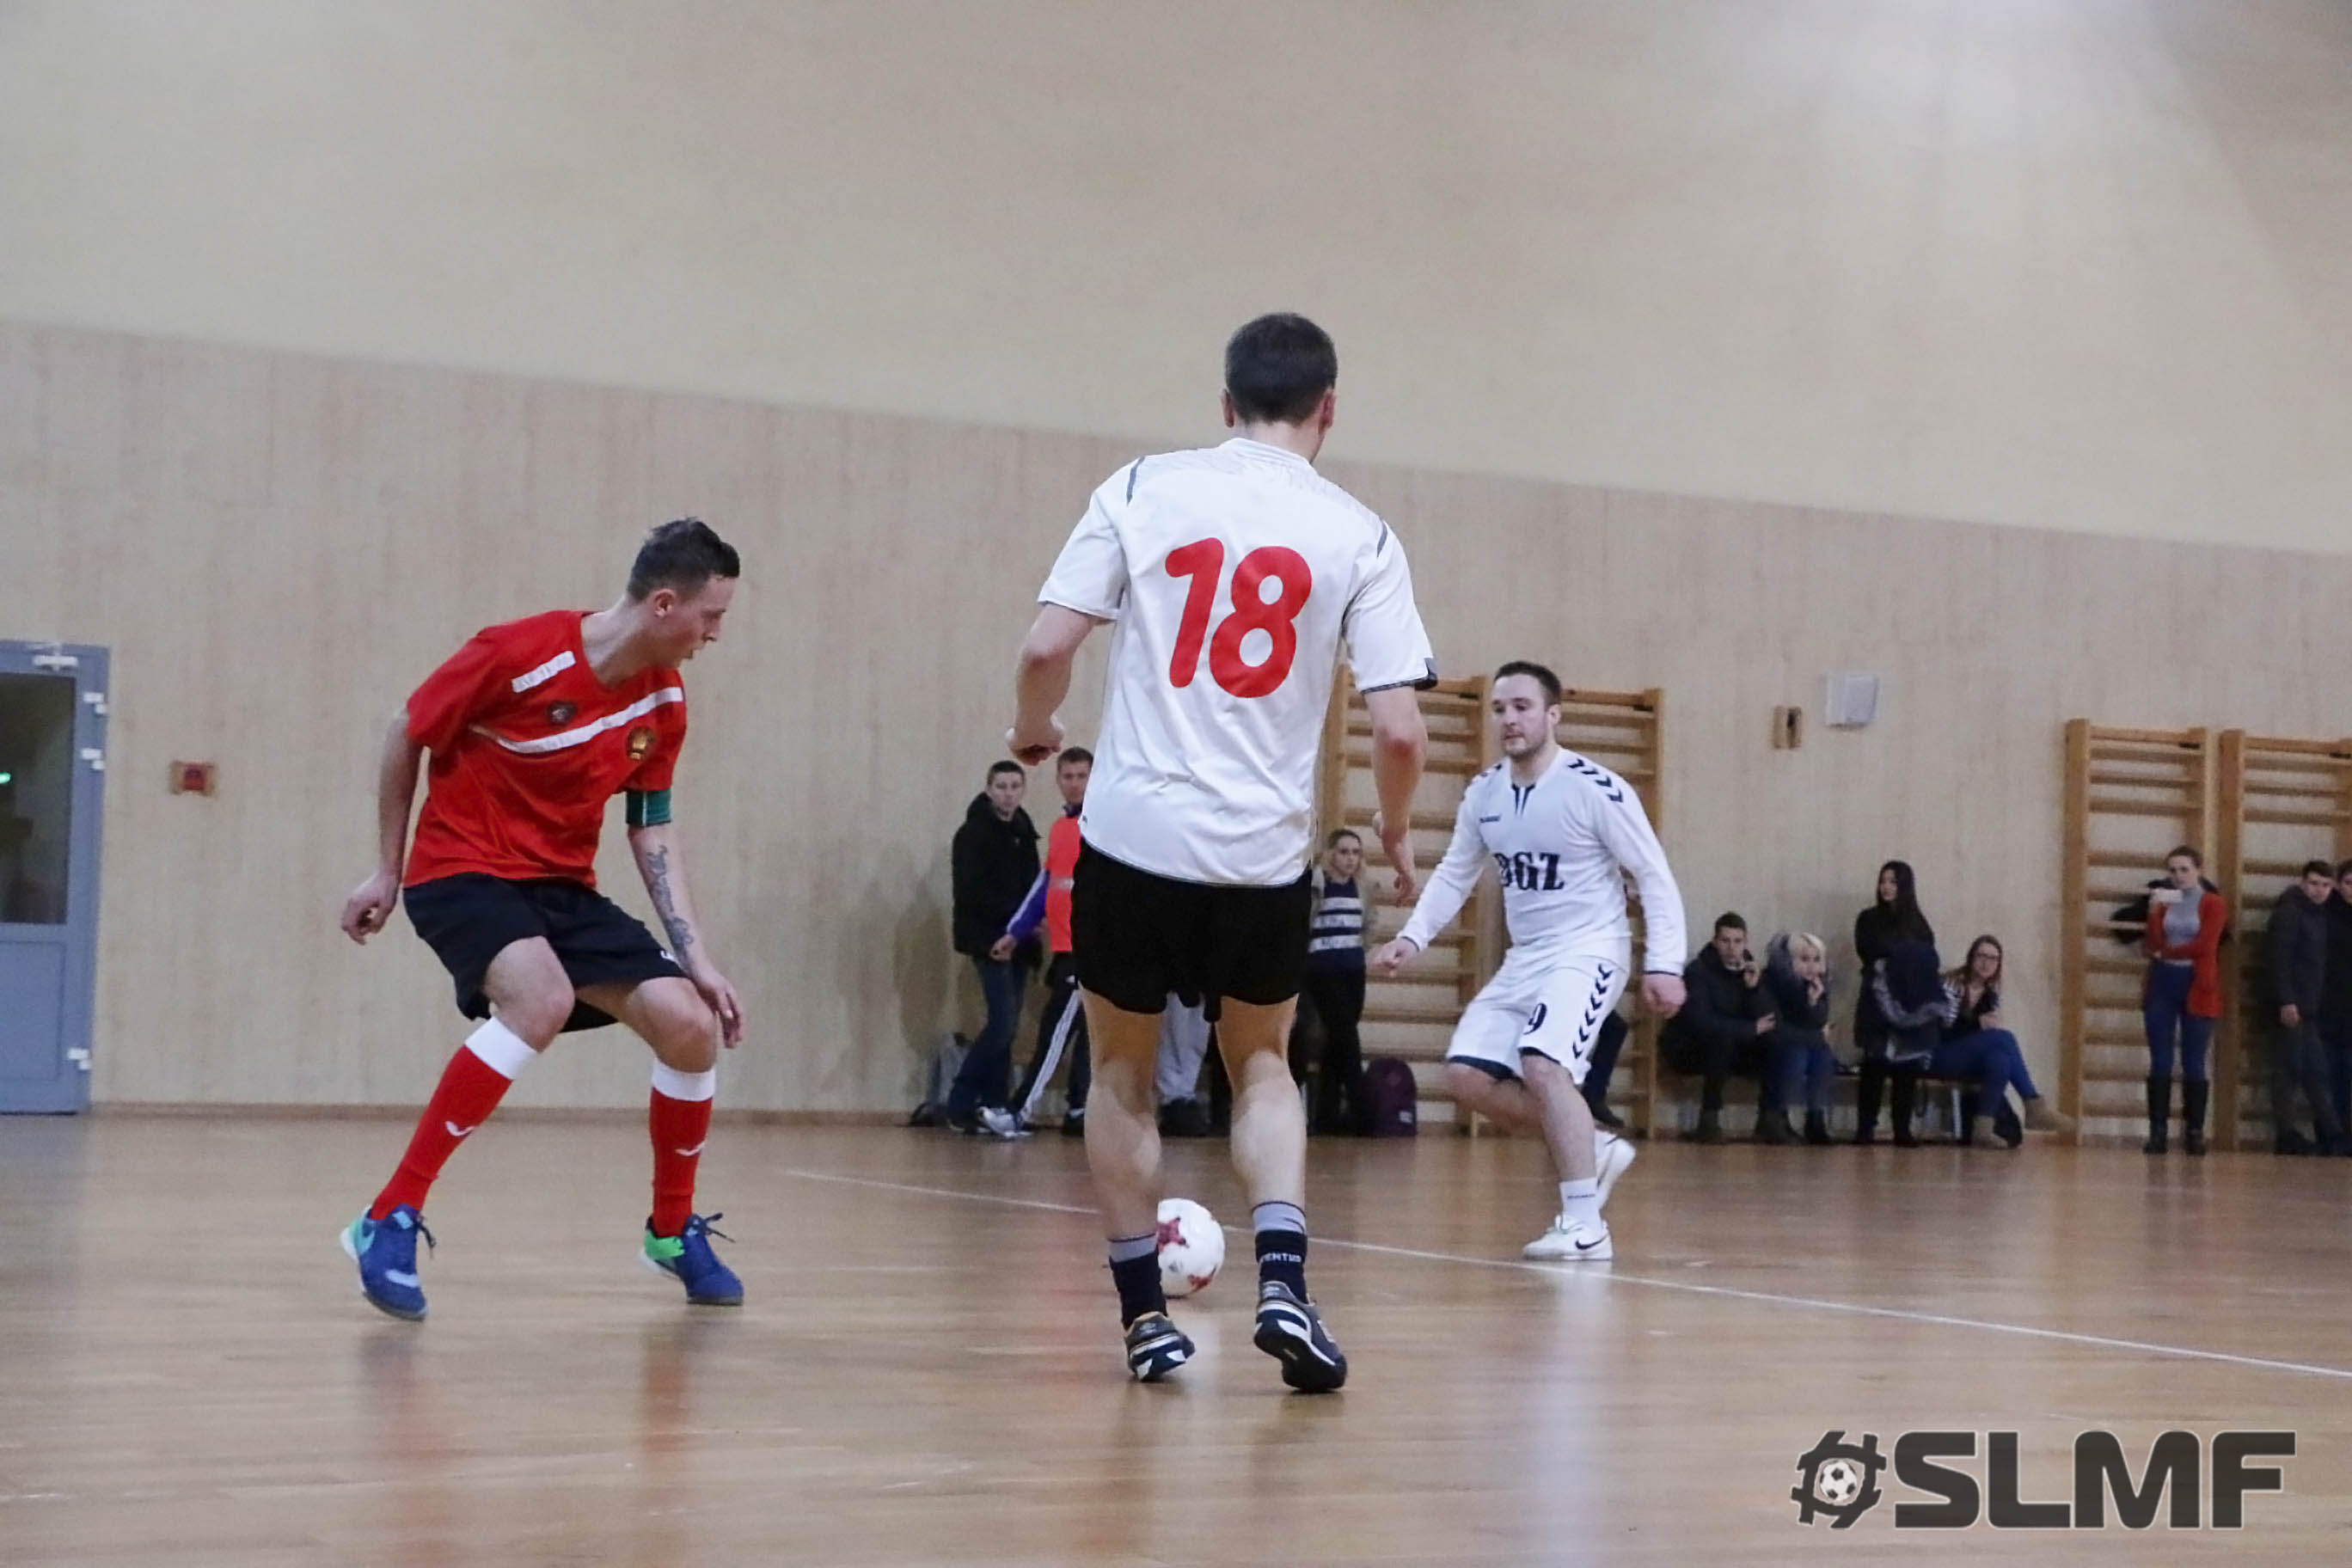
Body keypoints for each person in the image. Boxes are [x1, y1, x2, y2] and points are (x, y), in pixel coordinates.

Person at [1007, 312, 1436, 1388]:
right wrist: (1392, 828)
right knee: (1263, 1067)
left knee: (1121, 1071)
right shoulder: (1362, 535)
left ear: (1224, 403)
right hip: (1260, 856)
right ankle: (1284, 1285)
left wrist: (1034, 729)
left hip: (1133, 842)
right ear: (1329, 409)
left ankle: (1145, 1322)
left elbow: (1048, 643)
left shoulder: (1143, 487)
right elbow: (1399, 730)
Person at [335, 518, 746, 1320]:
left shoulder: (664, 701)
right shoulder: (516, 654)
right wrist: (387, 867)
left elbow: (651, 827)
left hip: (560, 888)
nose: (715, 635)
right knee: (542, 999)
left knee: (690, 1025)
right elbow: (405, 732)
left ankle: (669, 1231)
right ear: (665, 605)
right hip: (461, 870)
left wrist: (696, 958)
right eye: (711, 617)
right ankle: (388, 1214)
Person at [1373, 661, 1687, 1262]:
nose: (1509, 720)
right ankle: (1592, 1148)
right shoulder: (1484, 793)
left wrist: (1665, 963)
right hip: (1527, 958)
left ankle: (1585, 1224)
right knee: (1466, 1076)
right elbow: (1456, 873)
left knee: (1543, 1063)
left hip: (1589, 948)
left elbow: (1652, 874)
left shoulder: (1595, 788)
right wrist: (1412, 939)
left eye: (1521, 707)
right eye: (1499, 709)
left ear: (1553, 715)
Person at [947, 761, 1042, 1137]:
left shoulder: (1024, 831)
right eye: (1001, 786)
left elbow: (1034, 885)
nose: (1008, 794)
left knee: (1009, 1026)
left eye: (1015, 786)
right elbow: (972, 892)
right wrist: (1016, 919)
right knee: (1002, 1024)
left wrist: (1030, 925)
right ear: (989, 790)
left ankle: (994, 1104)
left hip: (1020, 941)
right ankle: (959, 1102)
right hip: (989, 940)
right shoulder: (972, 834)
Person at [1003, 747, 1093, 1135]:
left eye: (1082, 776)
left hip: (1087, 949)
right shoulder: (1061, 828)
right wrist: (1016, 931)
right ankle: (1080, 1109)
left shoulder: (1102, 828)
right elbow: (1046, 886)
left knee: (1055, 1032)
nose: (1074, 784)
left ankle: (1019, 1110)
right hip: (1063, 946)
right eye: (1068, 776)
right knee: (1086, 1035)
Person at [1931, 935, 2073, 1148]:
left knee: (2000, 1060)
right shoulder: (1952, 984)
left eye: (1993, 959)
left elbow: (1983, 1036)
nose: (1986, 963)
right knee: (2005, 1039)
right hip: (1939, 1053)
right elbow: (1942, 1031)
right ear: (1971, 957)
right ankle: (2033, 1105)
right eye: (1981, 956)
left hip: (1968, 1058)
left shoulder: (1992, 992)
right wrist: (1978, 1024)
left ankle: (1983, 1130)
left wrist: (1983, 1028)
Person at [1662, 913, 1774, 1144]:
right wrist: (1750, 1029)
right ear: (1715, 941)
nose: (1732, 948)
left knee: (1775, 1043)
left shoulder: (1751, 970)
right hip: (1690, 1047)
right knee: (1721, 1040)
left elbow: (1768, 1019)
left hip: (1736, 1046)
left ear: (1746, 942)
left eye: (1738, 941)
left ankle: (1770, 1119)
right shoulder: (1698, 971)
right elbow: (1701, 1023)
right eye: (1725, 941)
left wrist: (1753, 989)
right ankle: (1708, 1120)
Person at [2142, 845, 2226, 1156]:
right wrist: (2153, 913)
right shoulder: (2165, 900)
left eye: (2184, 870)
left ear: (2198, 871)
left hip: (2197, 984)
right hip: (2163, 982)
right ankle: (2158, 1132)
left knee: (2193, 1060)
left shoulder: (2213, 903)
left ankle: (2194, 1132)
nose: (2177, 876)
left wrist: (2167, 952)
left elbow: (2205, 945)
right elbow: (2152, 943)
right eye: (2173, 870)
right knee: (2160, 1059)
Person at [2263, 862, 2344, 1155]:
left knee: (2315, 1071)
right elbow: (2278, 959)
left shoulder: (2317, 915)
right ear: (2302, 883)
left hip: (2309, 1008)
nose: (2319, 890)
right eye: (2313, 883)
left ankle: (2334, 1133)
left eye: (2325, 885)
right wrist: (2286, 1000)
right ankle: (2286, 1134)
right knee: (2288, 1071)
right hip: (2292, 1007)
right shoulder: (2290, 913)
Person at [1852, 861, 1934, 1144]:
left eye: (1893, 882)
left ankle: (1902, 1128)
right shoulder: (1867, 919)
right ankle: (1865, 1128)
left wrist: (1898, 957)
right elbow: (1869, 952)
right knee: (1874, 1063)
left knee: (1907, 1066)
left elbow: (1926, 958)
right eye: (1883, 881)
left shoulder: (1918, 924)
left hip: (1908, 1001)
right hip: (1876, 999)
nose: (1886, 887)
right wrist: (1901, 956)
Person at [1296, 828, 1370, 1134]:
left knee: (1338, 1042)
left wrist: (1363, 949)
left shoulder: (1362, 887)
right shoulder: (1317, 883)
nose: (1350, 859)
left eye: (1355, 852)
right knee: (1347, 1038)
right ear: (1330, 854)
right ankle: (1362, 1112)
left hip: (1353, 968)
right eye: (1343, 852)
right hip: (1322, 969)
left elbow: (1369, 924)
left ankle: (1326, 1117)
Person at [1759, 932, 1836, 1146]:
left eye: (1816, 959)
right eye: (1804, 959)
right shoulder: (1772, 982)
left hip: (1802, 1042)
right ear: (1789, 961)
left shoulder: (1818, 985)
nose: (1811, 966)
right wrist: (1815, 1035)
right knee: (1796, 1054)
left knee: (1823, 1056)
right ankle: (1777, 1118)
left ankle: (1816, 1118)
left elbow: (1820, 1021)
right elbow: (1776, 1026)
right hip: (1768, 1043)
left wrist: (1812, 1003)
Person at [2322, 859, 2352, 1132]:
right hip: (2329, 1004)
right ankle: (2332, 1134)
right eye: (2349, 883)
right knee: (2330, 1074)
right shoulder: (2326, 914)